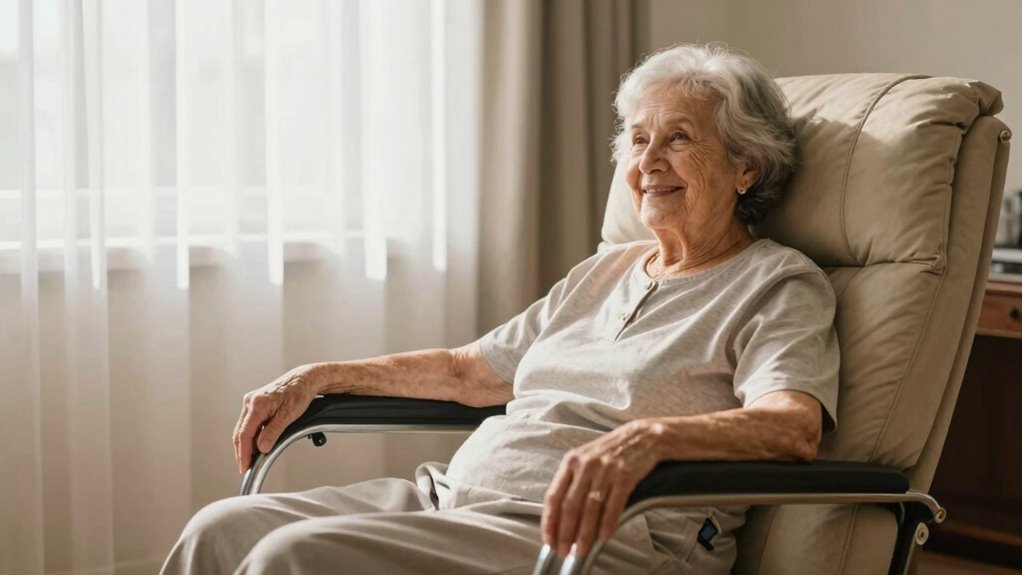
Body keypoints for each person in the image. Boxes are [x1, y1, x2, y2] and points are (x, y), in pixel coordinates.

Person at [161, 43, 838, 575]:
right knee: (217, 530)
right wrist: (318, 375)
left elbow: (791, 425)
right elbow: (467, 372)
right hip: (456, 500)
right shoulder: (606, 271)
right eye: (636, 139)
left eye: (678, 138)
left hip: (599, 531)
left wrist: (649, 438)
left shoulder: (776, 283)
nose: (647, 161)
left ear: (746, 166)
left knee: (291, 560)